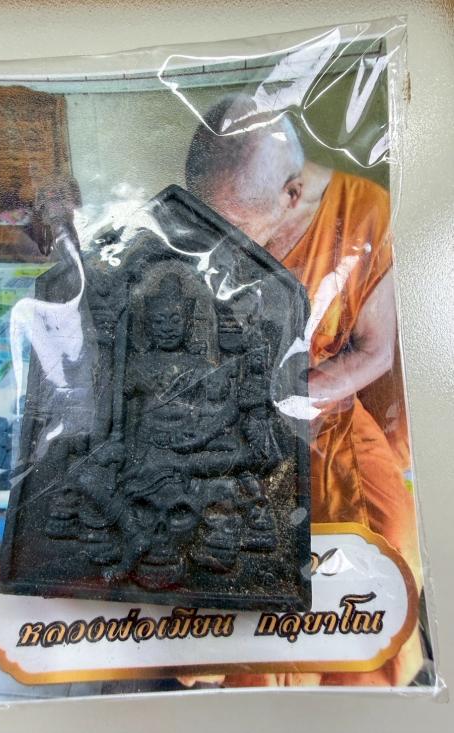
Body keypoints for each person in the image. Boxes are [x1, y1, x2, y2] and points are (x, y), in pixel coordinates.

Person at [182, 94, 423, 687]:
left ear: (292, 194)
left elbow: (375, 351)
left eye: (239, 227)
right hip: (222, 419)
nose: (226, 242)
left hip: (326, 416)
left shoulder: (363, 210)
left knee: (383, 552)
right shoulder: (209, 209)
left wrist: (290, 397)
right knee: (205, 564)